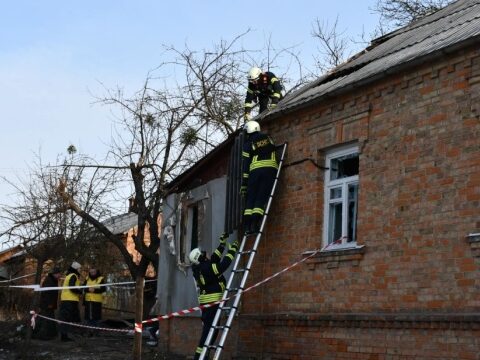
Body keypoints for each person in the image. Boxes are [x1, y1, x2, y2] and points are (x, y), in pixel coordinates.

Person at [189, 232, 239, 360]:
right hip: (212, 303)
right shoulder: (206, 268)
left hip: (208, 302)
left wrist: (222, 245)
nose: (204, 253)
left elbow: (214, 260)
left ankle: (203, 354)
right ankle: (200, 356)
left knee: (211, 330)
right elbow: (222, 265)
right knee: (209, 330)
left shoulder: (201, 267)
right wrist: (232, 250)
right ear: (199, 257)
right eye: (201, 253)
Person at [241, 120, 279, 234]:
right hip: (270, 170)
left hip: (255, 172)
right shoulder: (268, 138)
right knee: (261, 197)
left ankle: (248, 227)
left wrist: (244, 183)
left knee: (251, 198)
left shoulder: (248, 144)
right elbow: (273, 149)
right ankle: (255, 224)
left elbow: (246, 164)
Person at [33, 266, 62, 340]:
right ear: (54, 274)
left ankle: (49, 335)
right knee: (45, 321)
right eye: (58, 274)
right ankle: (43, 335)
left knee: (49, 320)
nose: (60, 275)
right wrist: (49, 303)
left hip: (50, 305)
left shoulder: (53, 280)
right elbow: (46, 293)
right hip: (47, 305)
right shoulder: (49, 280)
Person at [59, 261, 82, 342]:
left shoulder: (68, 275)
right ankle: (64, 336)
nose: (80, 270)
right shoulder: (73, 275)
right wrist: (80, 291)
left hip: (66, 299)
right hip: (70, 300)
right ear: (76, 268)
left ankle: (64, 335)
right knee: (66, 318)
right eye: (79, 268)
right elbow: (72, 287)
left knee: (65, 318)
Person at [83, 267, 106, 331]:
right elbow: (83, 288)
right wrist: (88, 289)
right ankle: (90, 331)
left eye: (93, 272)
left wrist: (94, 290)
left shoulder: (101, 279)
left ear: (96, 272)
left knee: (96, 316)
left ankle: (96, 331)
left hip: (97, 301)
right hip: (88, 300)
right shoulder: (87, 278)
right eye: (91, 272)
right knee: (88, 316)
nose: (92, 273)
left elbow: (103, 289)